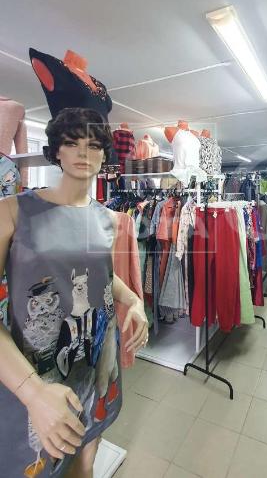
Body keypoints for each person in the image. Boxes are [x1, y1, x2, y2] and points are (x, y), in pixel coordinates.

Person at [0, 108, 148, 478]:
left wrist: (134, 300)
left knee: (86, 457)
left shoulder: (108, 219)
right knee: (37, 462)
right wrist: (33, 392)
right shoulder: (13, 212)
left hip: (97, 357)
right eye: (72, 142)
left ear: (104, 154)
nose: (83, 152)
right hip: (34, 371)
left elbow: (102, 276)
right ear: (56, 150)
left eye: (94, 145)